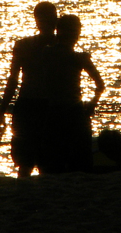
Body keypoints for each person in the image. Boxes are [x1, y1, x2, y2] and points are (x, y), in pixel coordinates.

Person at [36, 14, 105, 174]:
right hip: (73, 110)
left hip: (53, 110)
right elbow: (100, 85)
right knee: (79, 160)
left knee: (54, 160)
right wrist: (92, 103)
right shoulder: (78, 58)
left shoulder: (47, 53)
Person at [0, 2, 58, 177]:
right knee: (35, 161)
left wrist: (3, 110)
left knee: (33, 161)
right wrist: (2, 110)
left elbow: (13, 79)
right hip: (37, 105)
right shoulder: (56, 47)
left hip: (37, 105)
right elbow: (13, 79)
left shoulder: (27, 45)